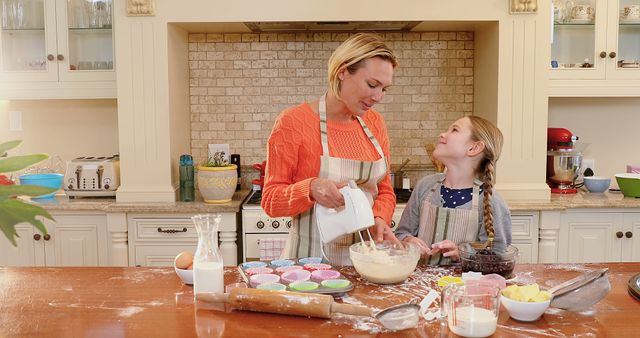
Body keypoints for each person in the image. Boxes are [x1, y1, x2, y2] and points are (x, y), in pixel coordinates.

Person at [261, 33, 398, 265]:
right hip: (307, 266)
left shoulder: (375, 124)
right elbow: (270, 200)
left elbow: (385, 191)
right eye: (372, 85)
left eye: (385, 89)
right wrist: (311, 188)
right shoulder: (293, 122)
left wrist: (379, 218)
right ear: (342, 72)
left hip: (365, 262)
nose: (378, 97)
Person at [394, 115, 512, 265]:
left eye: (454, 130)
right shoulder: (425, 186)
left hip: (464, 287)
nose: (442, 134)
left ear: (474, 148)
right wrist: (408, 241)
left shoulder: (491, 200)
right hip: (419, 285)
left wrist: (463, 253)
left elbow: (498, 257)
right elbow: (401, 234)